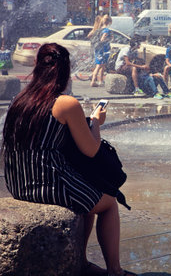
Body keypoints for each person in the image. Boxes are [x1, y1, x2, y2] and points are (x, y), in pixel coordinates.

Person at [1, 43, 136, 276]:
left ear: (38, 68)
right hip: (46, 184)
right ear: (65, 70)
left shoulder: (20, 99)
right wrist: (95, 122)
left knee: (88, 195)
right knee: (109, 202)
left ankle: (80, 262)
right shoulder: (65, 103)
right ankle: (115, 270)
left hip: (18, 183)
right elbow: (91, 150)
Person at [91, 15, 113, 87]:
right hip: (103, 50)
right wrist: (108, 39)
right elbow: (102, 39)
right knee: (99, 65)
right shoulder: (106, 30)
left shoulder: (99, 29)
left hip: (98, 49)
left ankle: (100, 81)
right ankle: (93, 81)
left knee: (102, 65)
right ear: (109, 22)